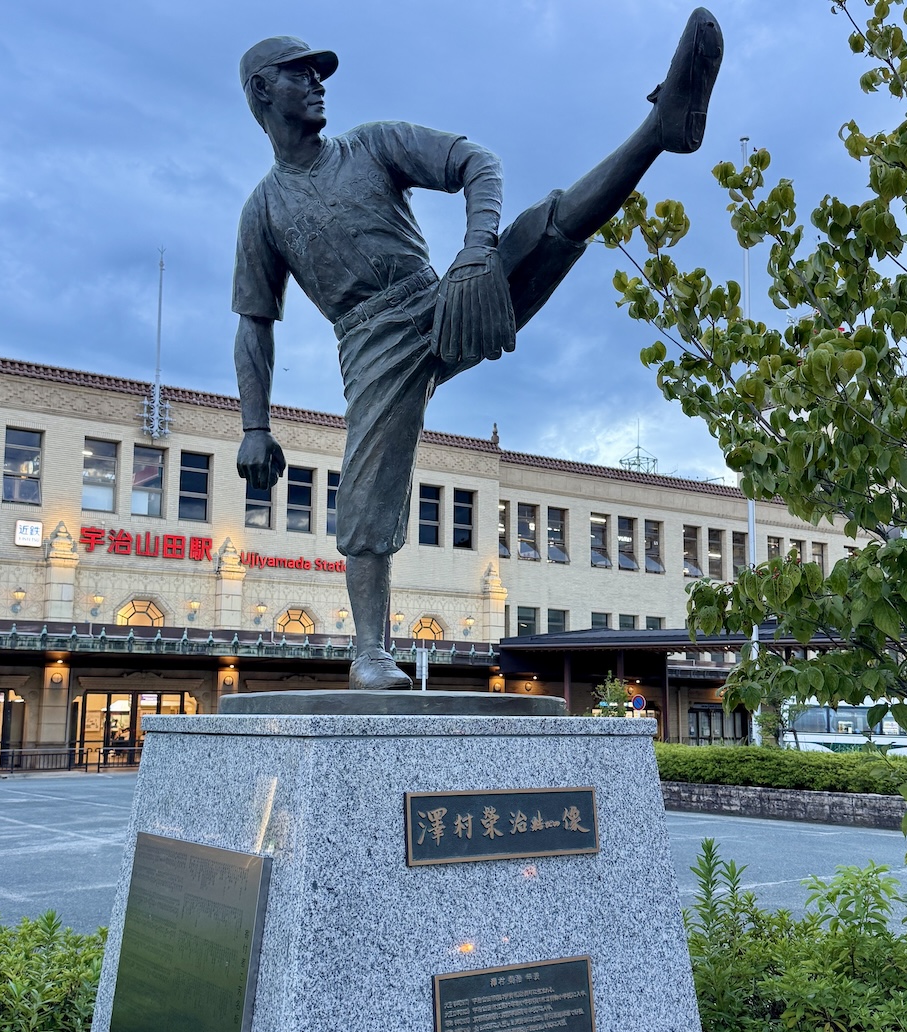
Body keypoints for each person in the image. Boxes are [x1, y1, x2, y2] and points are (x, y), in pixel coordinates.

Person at [233, 18, 723, 688]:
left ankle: (659, 132)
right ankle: (370, 651)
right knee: (369, 479)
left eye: (318, 72)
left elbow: (477, 162)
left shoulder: (372, 145)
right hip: (371, 340)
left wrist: (475, 251)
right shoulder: (262, 210)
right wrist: (255, 427)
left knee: (542, 230)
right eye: (301, 73)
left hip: (442, 297)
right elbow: (254, 324)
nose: (318, 84)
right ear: (264, 90)